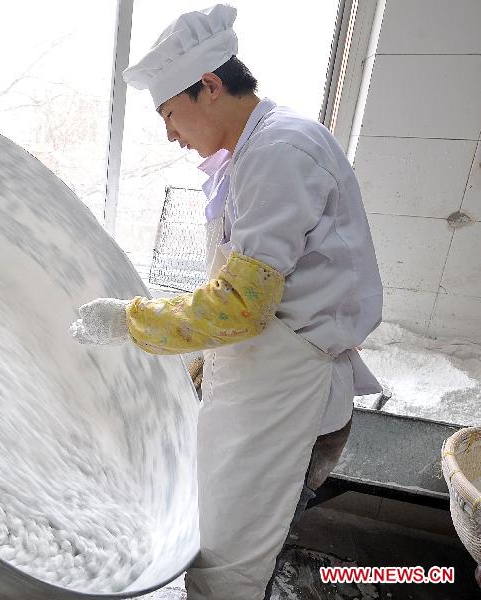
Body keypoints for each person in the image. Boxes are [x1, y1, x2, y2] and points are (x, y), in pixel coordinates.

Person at [69, 4, 383, 598]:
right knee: (217, 538)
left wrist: (131, 320)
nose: (169, 134)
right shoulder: (253, 151)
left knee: (230, 564)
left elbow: (242, 304)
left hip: (287, 395)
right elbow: (250, 282)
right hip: (261, 377)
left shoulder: (279, 152)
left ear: (209, 86)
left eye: (169, 114)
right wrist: (201, 360)